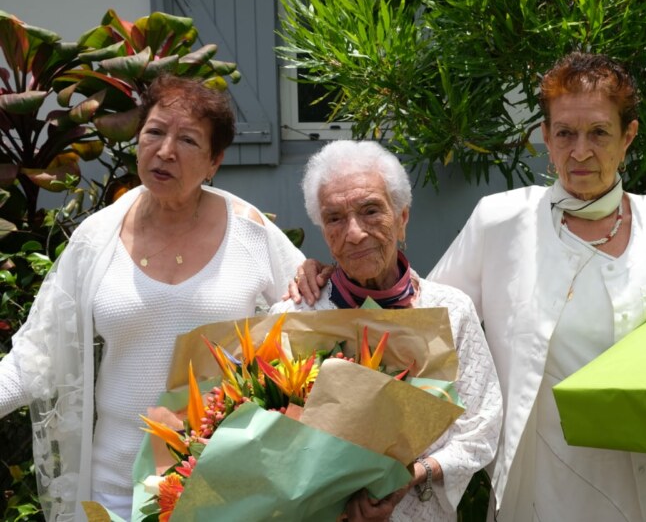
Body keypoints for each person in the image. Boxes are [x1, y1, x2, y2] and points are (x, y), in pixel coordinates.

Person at [0, 74, 305, 521]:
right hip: (114, 489)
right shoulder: (96, 237)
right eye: (155, 132)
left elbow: (313, 311)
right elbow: (37, 356)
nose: (165, 151)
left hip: (222, 486)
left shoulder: (250, 231)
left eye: (187, 140)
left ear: (214, 161)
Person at [427, 52, 646, 521]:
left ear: (628, 137)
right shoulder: (500, 222)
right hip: (543, 489)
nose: (580, 151)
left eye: (599, 132)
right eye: (565, 133)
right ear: (545, 137)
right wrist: (326, 282)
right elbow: (429, 329)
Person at [272, 139, 502, 522]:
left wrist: (413, 475)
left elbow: (482, 427)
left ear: (402, 217)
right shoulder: (297, 316)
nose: (355, 232)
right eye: (334, 218)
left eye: (370, 211)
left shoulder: (449, 310)